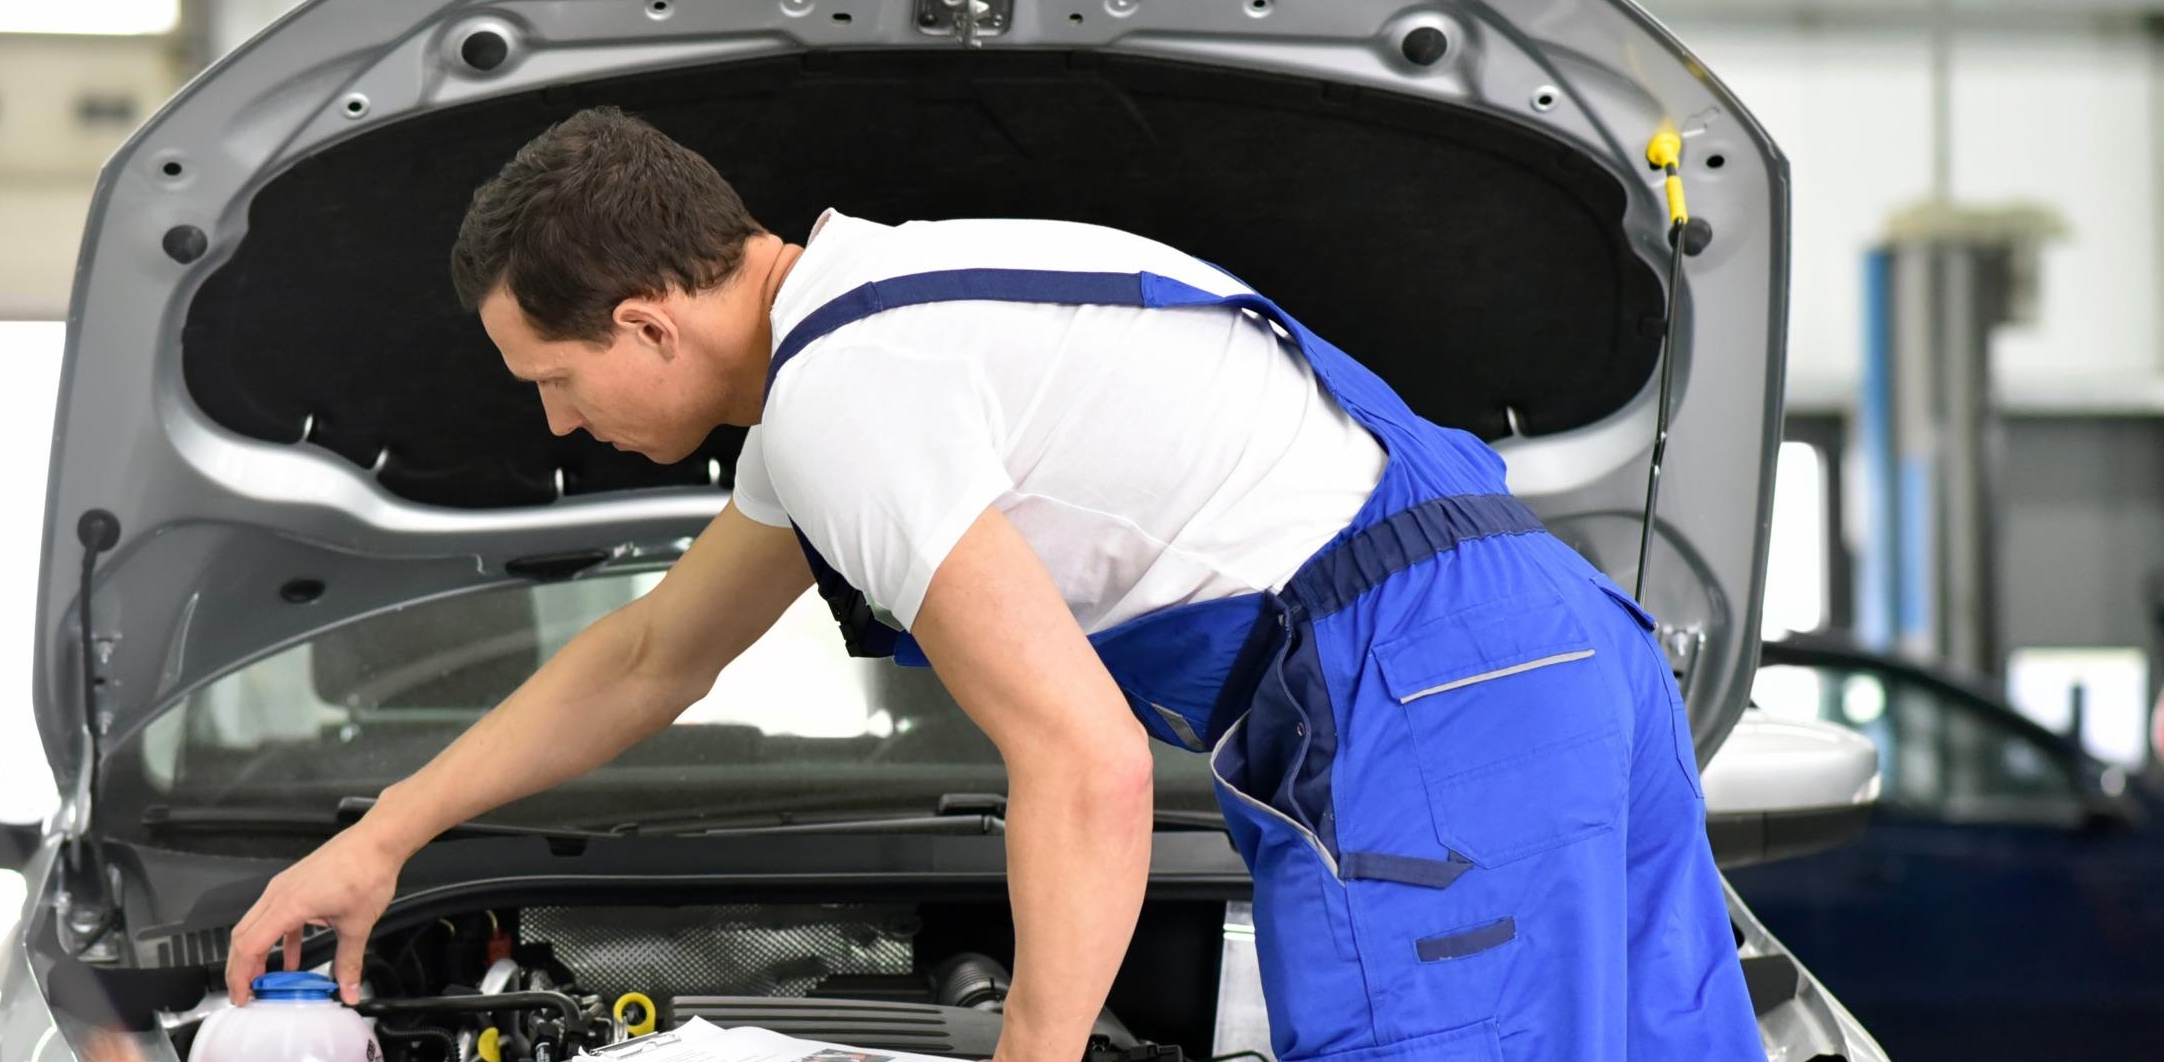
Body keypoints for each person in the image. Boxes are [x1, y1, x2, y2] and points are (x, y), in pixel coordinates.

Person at [222, 107, 1761, 1062]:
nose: (557, 426)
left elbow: (1083, 762)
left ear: (642, 322)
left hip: (1424, 713)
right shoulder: (882, 321)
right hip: (1558, 655)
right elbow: (649, 660)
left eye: (549, 381)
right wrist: (384, 840)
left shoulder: (850, 395)